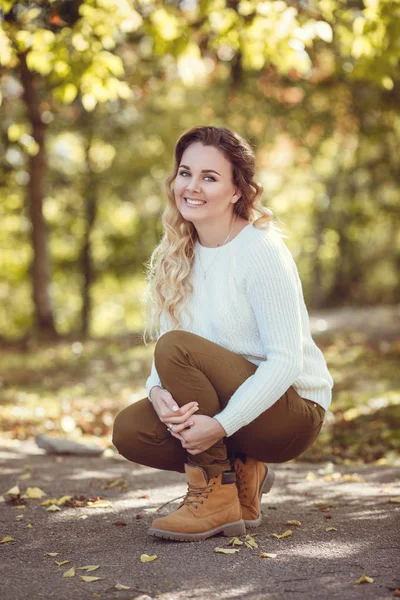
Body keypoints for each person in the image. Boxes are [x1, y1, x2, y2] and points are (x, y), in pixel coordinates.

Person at [112, 125, 334, 542]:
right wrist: (158, 394)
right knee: (131, 430)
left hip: (290, 412)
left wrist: (222, 425)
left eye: (209, 177)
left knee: (176, 348)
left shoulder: (261, 251)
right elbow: (169, 349)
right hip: (231, 406)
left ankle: (213, 491)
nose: (191, 187)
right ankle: (241, 477)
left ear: (237, 191)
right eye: (185, 173)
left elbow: (285, 360)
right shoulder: (177, 254)